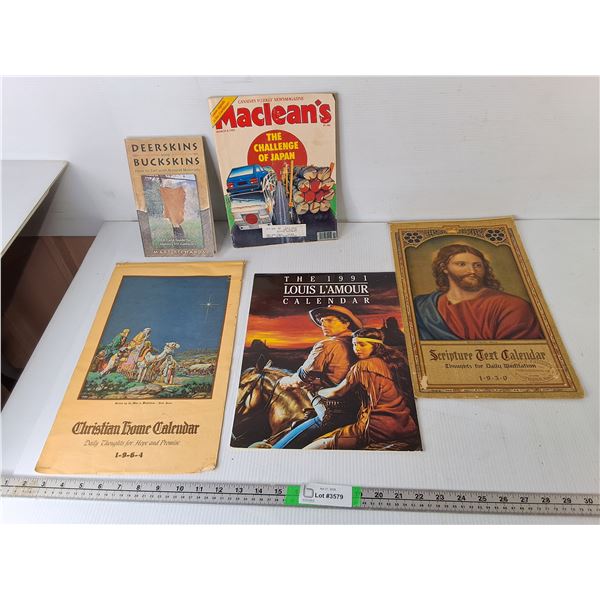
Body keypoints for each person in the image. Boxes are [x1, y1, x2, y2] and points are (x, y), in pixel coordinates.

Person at [305, 327, 420, 450]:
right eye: (354, 344)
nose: (357, 349)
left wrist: (318, 390)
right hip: (405, 426)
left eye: (362, 344)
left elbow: (337, 392)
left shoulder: (362, 366)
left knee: (315, 446)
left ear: (375, 346)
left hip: (375, 429)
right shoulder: (393, 363)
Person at [271, 306, 363, 449]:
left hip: (332, 414)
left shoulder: (327, 345)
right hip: (360, 411)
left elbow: (302, 378)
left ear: (346, 323)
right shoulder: (361, 346)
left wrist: (285, 381)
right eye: (322, 321)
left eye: (329, 320)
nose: (323, 324)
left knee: (279, 448)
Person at [413, 243, 543, 340]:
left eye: (477, 265)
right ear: (444, 268)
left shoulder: (512, 306)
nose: (472, 271)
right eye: (461, 264)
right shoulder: (422, 306)